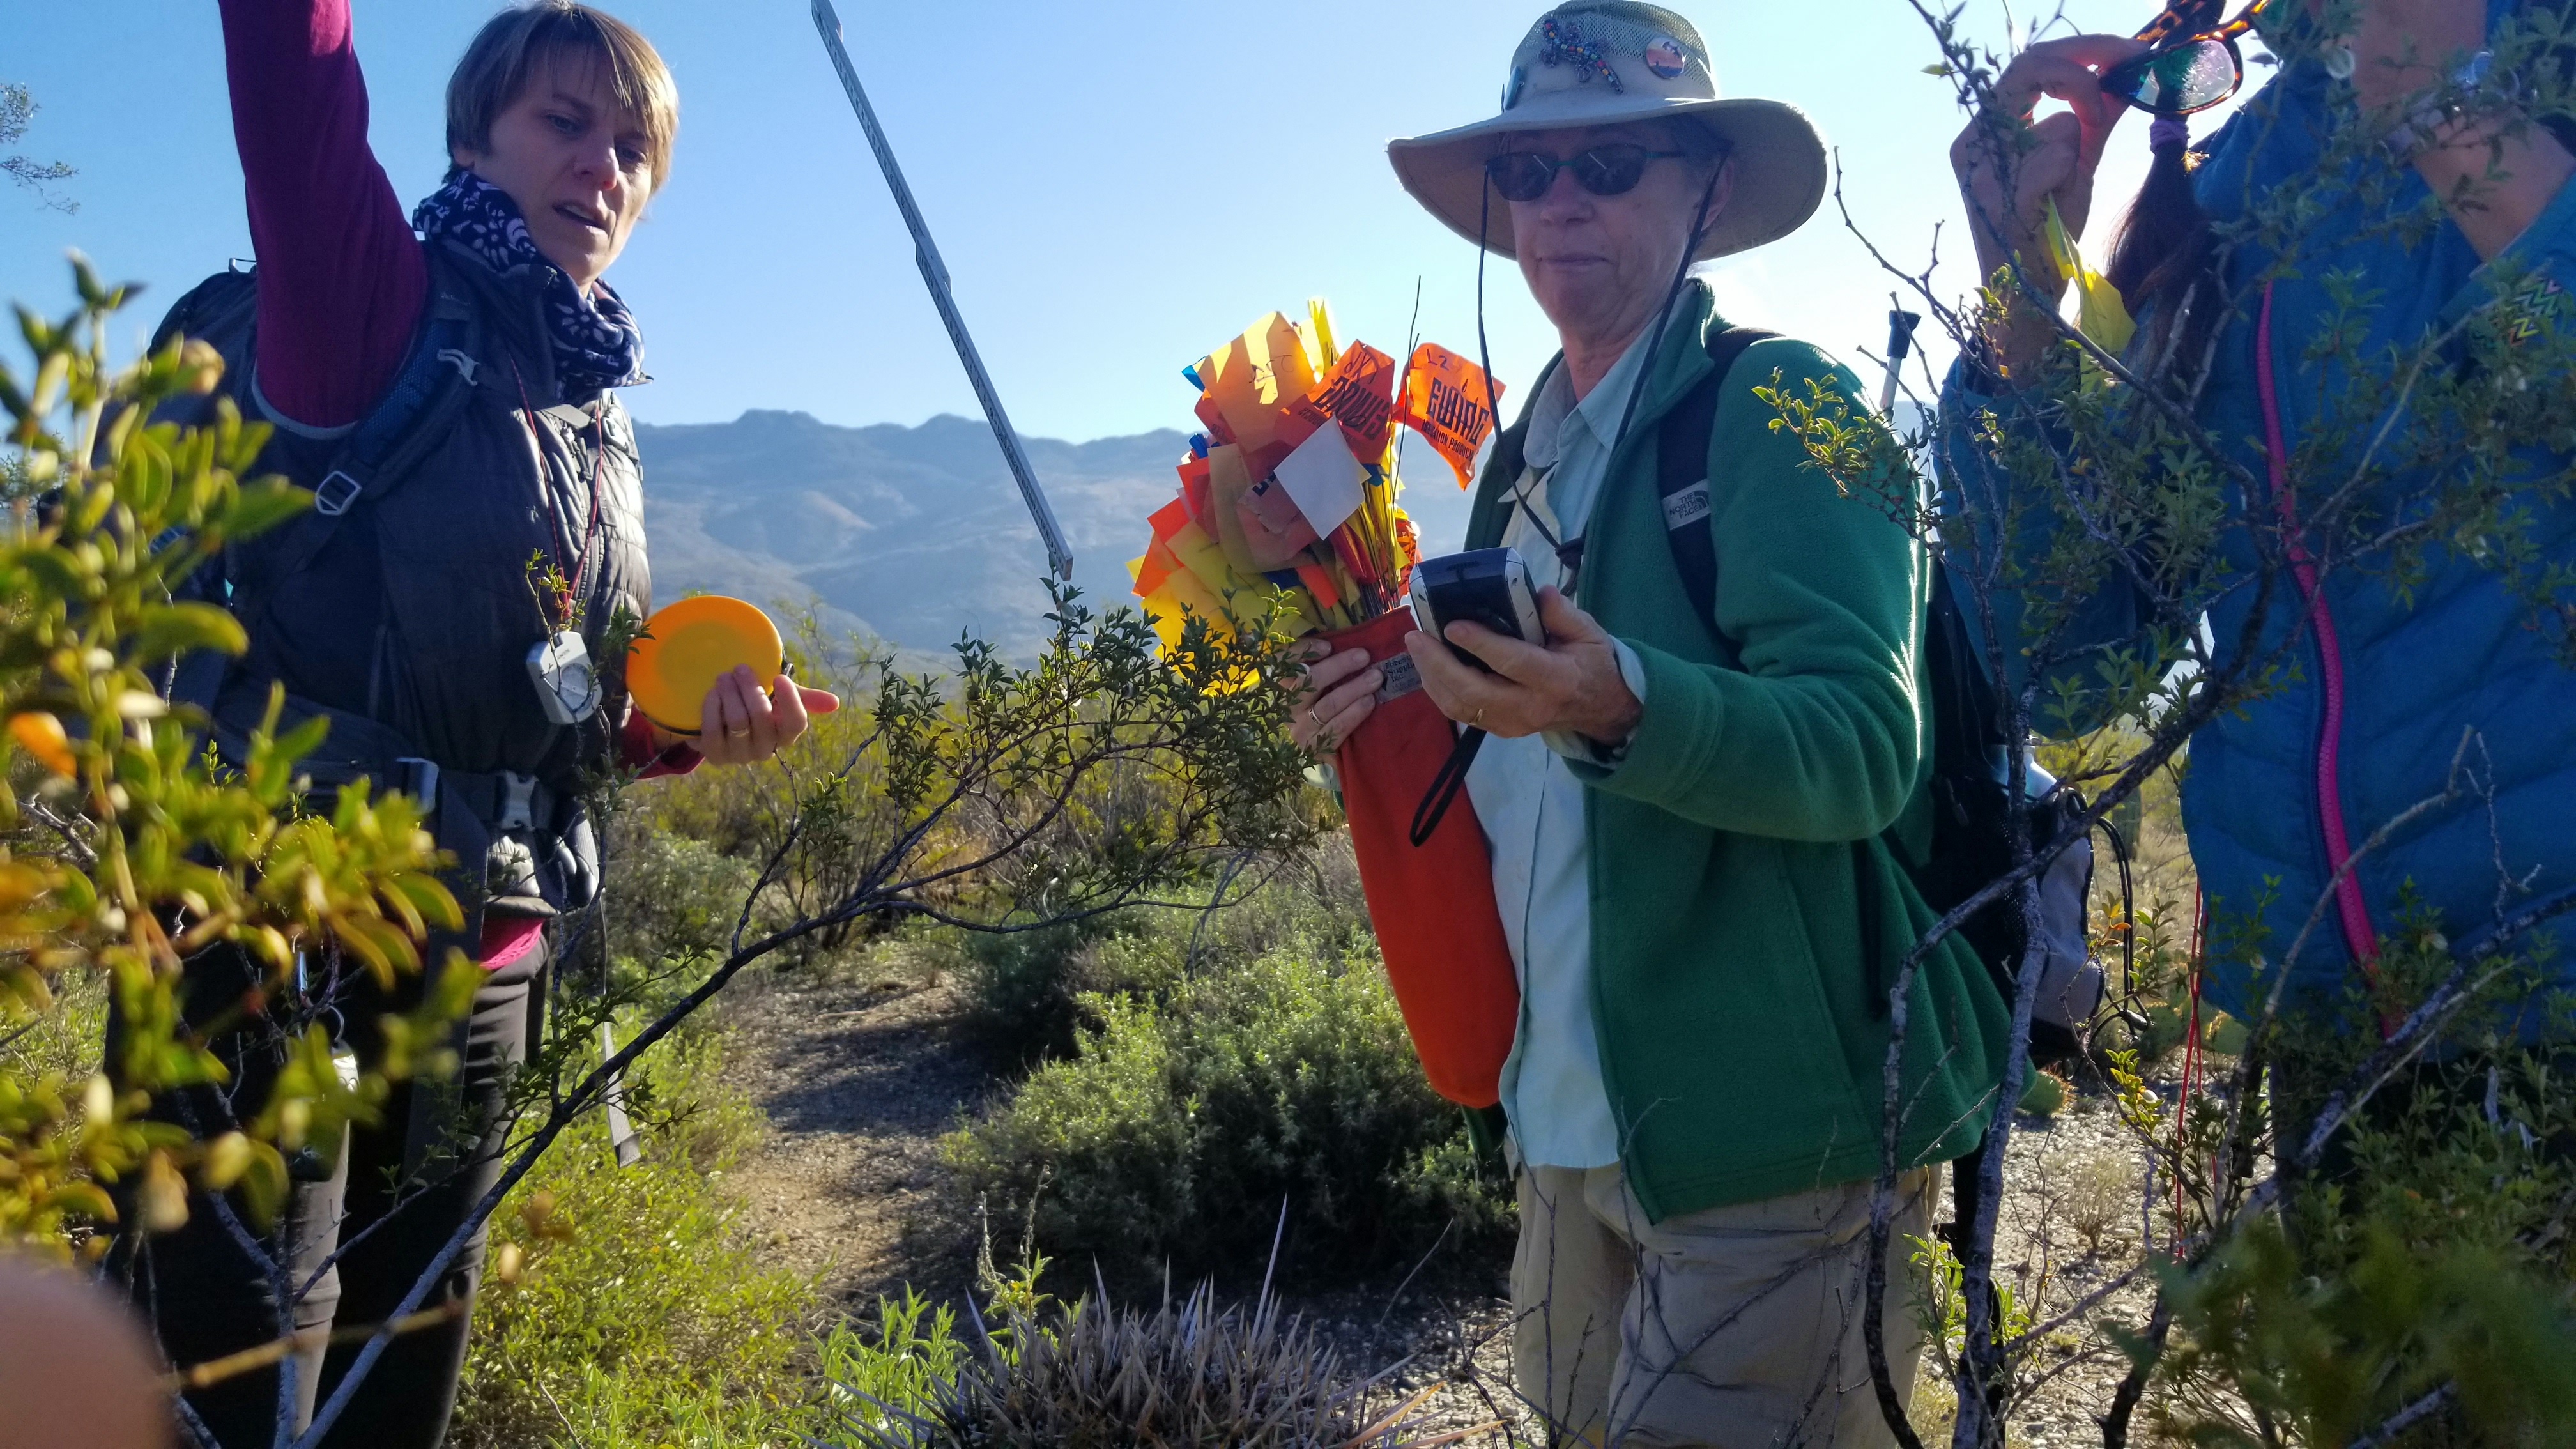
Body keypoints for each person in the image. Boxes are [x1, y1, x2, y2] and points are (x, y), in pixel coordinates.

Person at [105, 4, 838, 1445]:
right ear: (471, 140)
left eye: (634, 146)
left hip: (489, 947)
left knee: (405, 1377)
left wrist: (678, 737)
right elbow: (293, 87)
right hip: (281, 927)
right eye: (564, 125)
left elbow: (542, 702)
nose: (604, 169)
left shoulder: (586, 395)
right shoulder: (363, 303)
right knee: (229, 1382)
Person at [1298, 4, 2011, 1443]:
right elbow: (1533, 782)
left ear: (1709, 191)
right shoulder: (1519, 461)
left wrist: (1628, 703)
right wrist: (1389, 709)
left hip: (1775, 1131)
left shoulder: (1783, 409)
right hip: (1566, 1116)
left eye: (1614, 163)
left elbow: (1864, 745)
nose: (1564, 202)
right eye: (1534, 171)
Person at [1941, 0, 2576, 1116]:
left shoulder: (2549, 70)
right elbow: (2074, 658)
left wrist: (2450, 117)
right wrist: (2020, 308)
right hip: (2333, 1040)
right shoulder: (2231, 186)